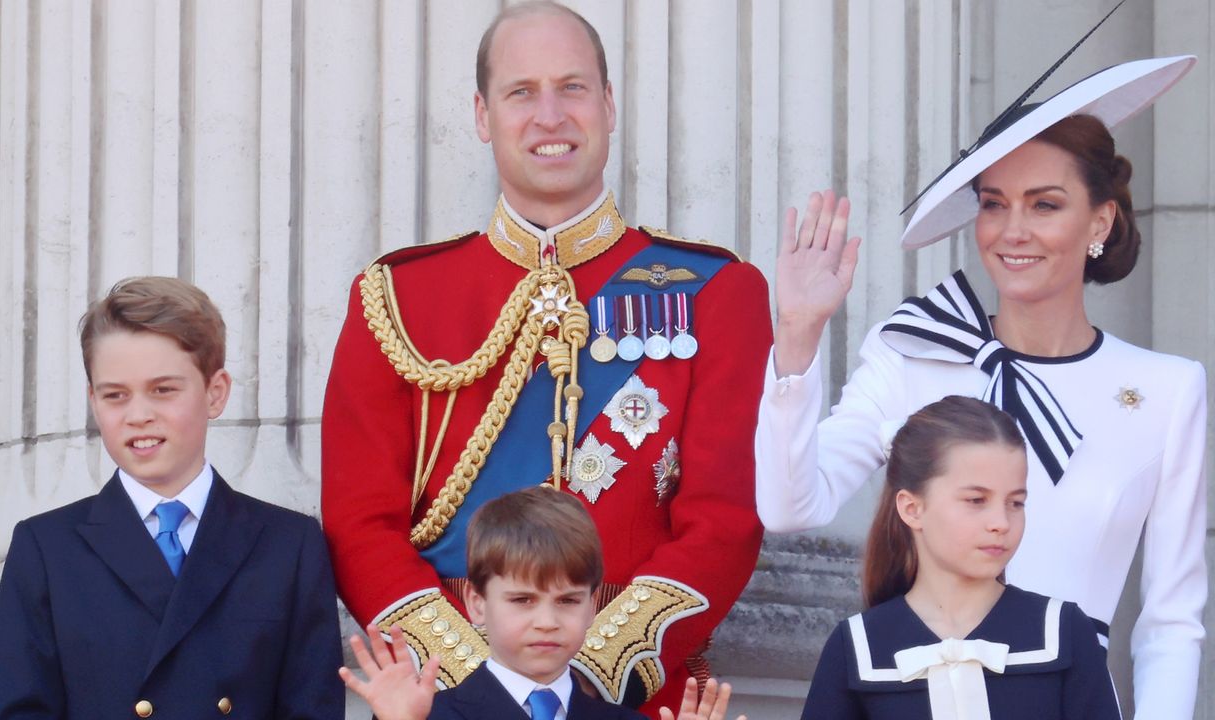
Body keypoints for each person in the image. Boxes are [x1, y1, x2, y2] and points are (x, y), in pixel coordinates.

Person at [321, 1, 770, 712]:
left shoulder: (718, 292)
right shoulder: (398, 298)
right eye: (521, 92)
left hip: (632, 701)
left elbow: (724, 521)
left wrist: (582, 678)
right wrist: (485, 686)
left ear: (609, 105)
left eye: (573, 87)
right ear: (482, 115)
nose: (550, 115)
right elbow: (359, 524)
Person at [756, 55, 1205, 717]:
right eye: (995, 205)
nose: (1012, 231)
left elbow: (1171, 622)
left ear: (1100, 223)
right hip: (912, 691)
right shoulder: (913, 353)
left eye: (1044, 204)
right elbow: (788, 507)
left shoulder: (1166, 391)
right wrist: (797, 335)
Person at [0, 277, 344, 719]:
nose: (138, 415)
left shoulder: (289, 545)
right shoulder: (45, 548)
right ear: (93, 401)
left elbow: (312, 710)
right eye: (115, 395)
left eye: (163, 390)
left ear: (216, 392)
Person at [801, 396, 1119, 719]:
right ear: (912, 509)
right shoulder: (857, 646)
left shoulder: (1063, 634)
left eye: (1016, 503)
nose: (1001, 522)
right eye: (976, 500)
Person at [339, 487, 743, 720]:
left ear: (591, 607)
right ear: (476, 604)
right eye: (522, 600)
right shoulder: (425, 714)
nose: (547, 621)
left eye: (567, 601)